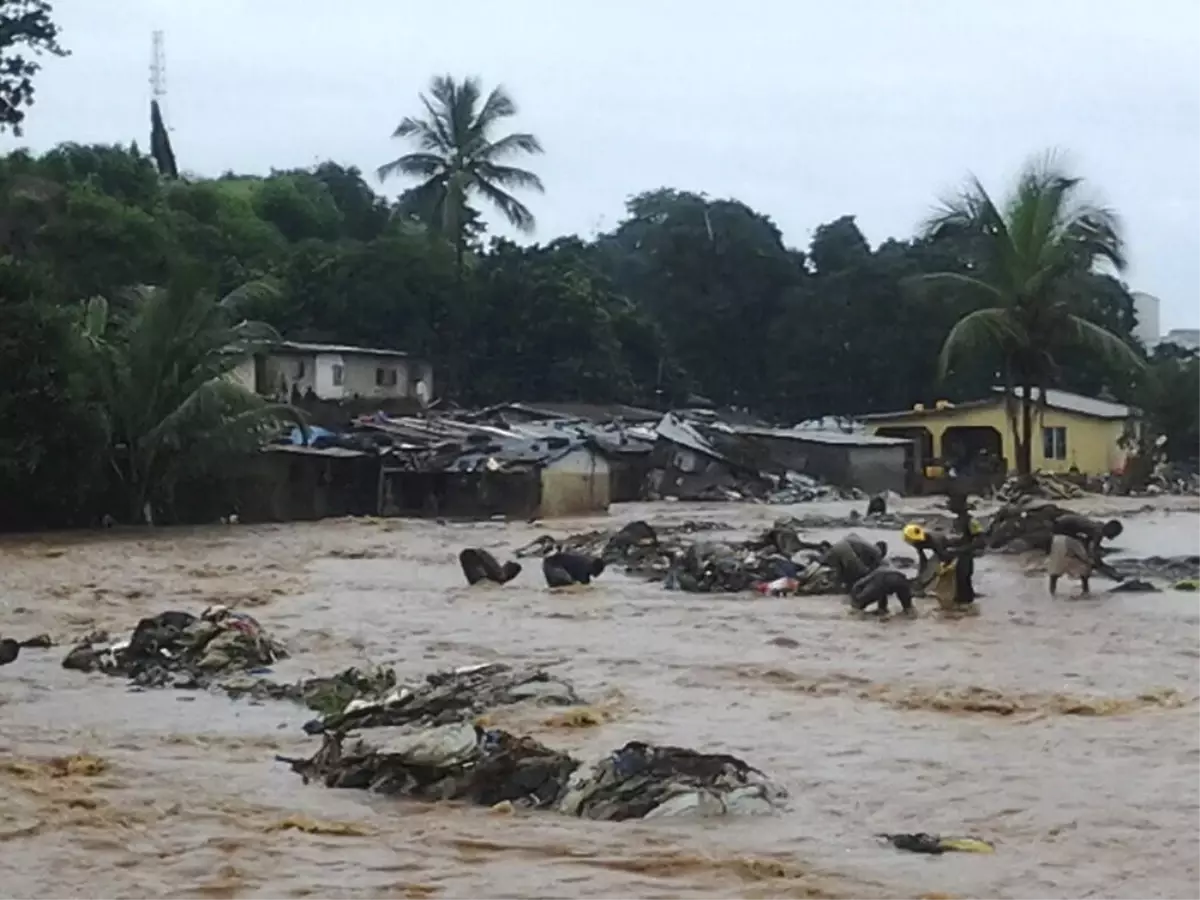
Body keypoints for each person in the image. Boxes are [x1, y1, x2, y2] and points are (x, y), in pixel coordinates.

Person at [903, 522, 980, 608]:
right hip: (943, 552)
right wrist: (920, 576)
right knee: (928, 572)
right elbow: (923, 558)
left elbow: (943, 556)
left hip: (954, 548)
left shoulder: (934, 540)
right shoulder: (917, 542)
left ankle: (963, 599)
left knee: (957, 577)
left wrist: (941, 569)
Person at [1047, 515, 1123, 596]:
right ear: (1110, 529)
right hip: (1063, 532)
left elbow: (1087, 544)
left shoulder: (1096, 527)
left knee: (1057, 565)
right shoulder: (1098, 531)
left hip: (1059, 532)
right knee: (1087, 564)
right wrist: (1108, 571)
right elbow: (1093, 552)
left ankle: (1052, 593)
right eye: (1115, 534)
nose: (1113, 538)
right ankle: (1085, 591)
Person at [820, 535, 888, 591]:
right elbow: (878, 569)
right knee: (860, 574)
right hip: (846, 549)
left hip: (837, 546)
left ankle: (832, 586)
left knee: (840, 575)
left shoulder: (865, 544)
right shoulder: (877, 551)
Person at [849, 566, 915, 616]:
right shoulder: (873, 580)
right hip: (897, 578)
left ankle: (883, 611)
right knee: (908, 608)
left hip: (888, 579)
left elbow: (876, 592)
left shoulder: (865, 587)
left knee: (908, 608)